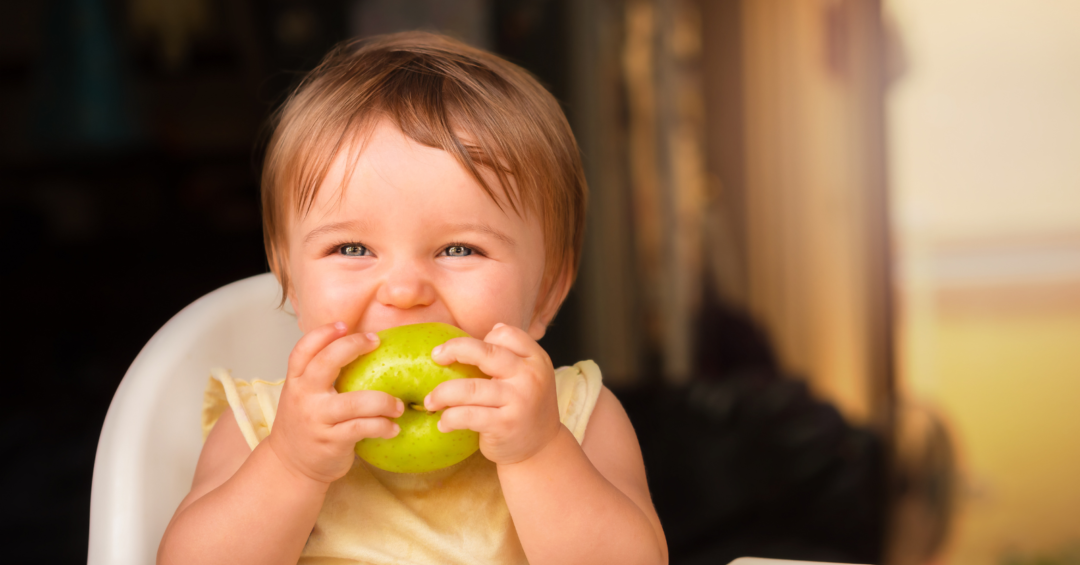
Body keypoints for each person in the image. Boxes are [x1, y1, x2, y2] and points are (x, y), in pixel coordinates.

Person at [156, 31, 668, 565]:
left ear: (546, 292)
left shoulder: (574, 416)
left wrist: (538, 453)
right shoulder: (262, 426)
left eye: (459, 248)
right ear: (290, 278)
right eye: (351, 247)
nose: (404, 292)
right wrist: (292, 465)